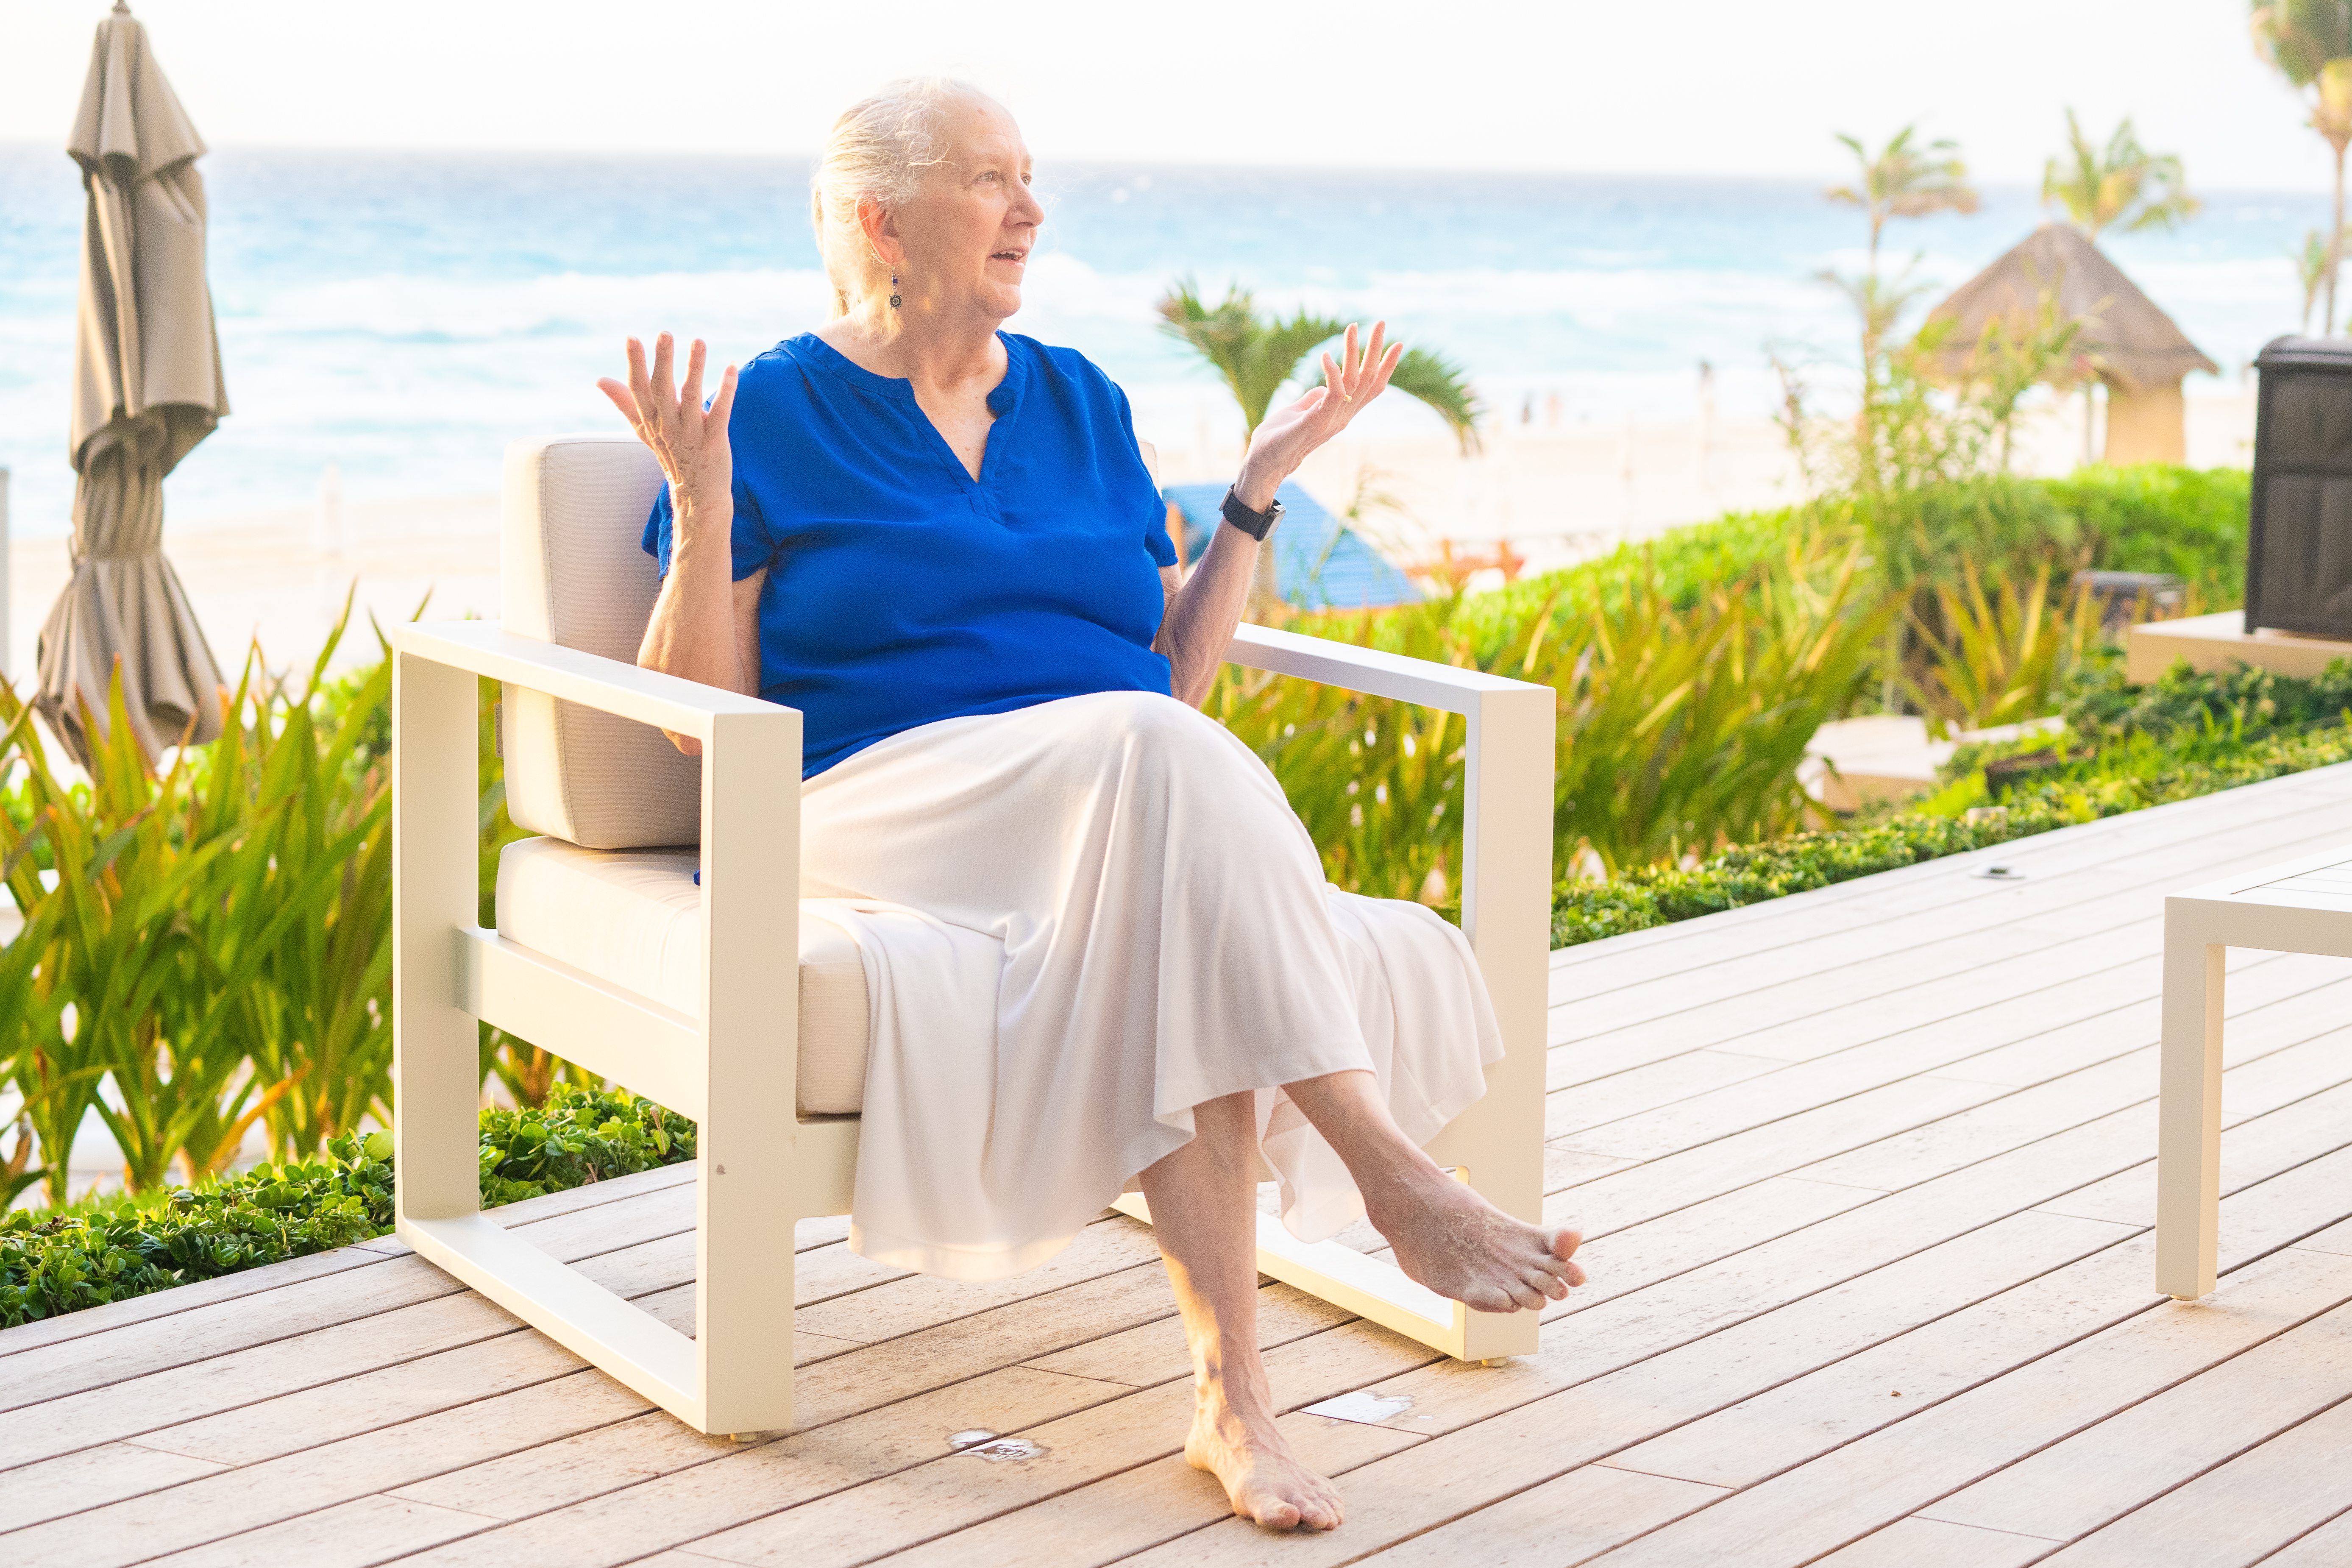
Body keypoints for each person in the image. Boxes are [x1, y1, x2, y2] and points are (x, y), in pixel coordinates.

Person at [597, 78, 1582, 1534]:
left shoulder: (1081, 399)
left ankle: (1232, 1399)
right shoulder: (771, 412)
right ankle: (1393, 1173)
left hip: (1104, 806)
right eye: (992, 180)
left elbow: (1170, 683)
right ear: (881, 219)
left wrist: (1255, 489)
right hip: (866, 804)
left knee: (1165, 861)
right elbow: (704, 732)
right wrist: (701, 494)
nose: (1031, 209)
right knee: (1146, 770)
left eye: (1029, 178)